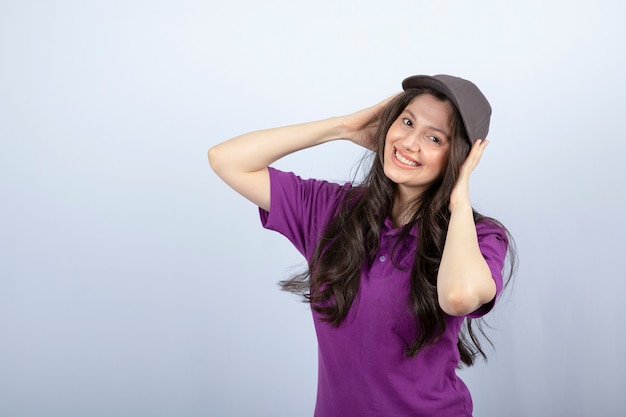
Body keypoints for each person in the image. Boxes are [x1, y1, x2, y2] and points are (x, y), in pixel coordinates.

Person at [208, 74, 516, 417]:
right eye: (407, 122)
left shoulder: (480, 236)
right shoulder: (333, 210)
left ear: (459, 157)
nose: (410, 142)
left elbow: (458, 297)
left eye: (433, 137)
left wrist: (459, 201)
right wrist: (342, 128)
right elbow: (226, 159)